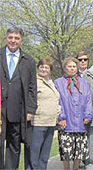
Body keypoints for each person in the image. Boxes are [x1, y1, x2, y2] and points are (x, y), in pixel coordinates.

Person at [0, 27, 37, 170]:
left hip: (18, 109)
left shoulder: (28, 60)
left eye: (16, 38)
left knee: (14, 145)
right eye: (10, 37)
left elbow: (32, 87)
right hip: (0, 109)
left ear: (21, 41)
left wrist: (31, 110)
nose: (13, 41)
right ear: (6, 38)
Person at [54, 57, 93, 170]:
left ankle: (76, 167)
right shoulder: (58, 83)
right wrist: (61, 117)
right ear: (65, 68)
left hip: (81, 122)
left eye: (74, 66)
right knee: (66, 150)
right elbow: (58, 101)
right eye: (69, 66)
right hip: (66, 122)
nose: (72, 69)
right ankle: (66, 168)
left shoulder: (83, 82)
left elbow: (88, 100)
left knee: (79, 150)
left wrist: (88, 115)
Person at [29, 58, 61, 170]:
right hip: (38, 121)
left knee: (45, 153)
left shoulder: (52, 83)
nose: (44, 69)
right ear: (38, 68)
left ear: (50, 70)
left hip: (51, 122)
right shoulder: (34, 81)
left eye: (46, 67)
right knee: (34, 152)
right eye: (41, 67)